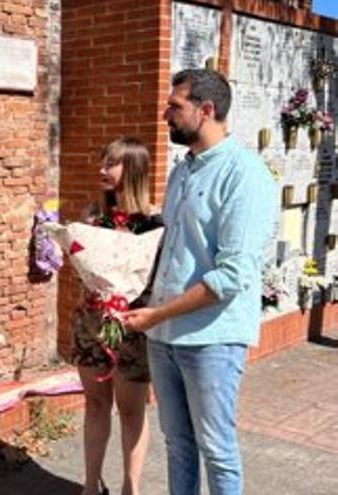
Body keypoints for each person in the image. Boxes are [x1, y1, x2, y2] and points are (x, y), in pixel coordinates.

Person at [123, 69, 277, 495]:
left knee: (218, 450)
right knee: (178, 445)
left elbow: (232, 276)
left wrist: (157, 314)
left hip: (212, 338)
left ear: (206, 110)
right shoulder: (183, 171)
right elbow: (174, 247)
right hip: (164, 335)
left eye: (175, 106)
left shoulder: (245, 175)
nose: (164, 114)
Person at [74, 137, 162, 495]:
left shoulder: (156, 224)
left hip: (134, 328)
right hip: (92, 323)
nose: (102, 170)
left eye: (111, 163)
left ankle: (131, 488)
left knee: (131, 411)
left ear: (134, 169)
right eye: (102, 162)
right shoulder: (94, 219)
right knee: (95, 405)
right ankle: (91, 486)